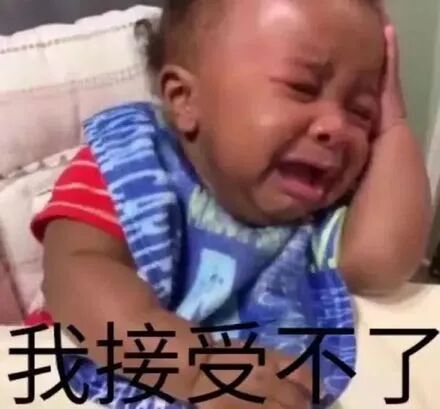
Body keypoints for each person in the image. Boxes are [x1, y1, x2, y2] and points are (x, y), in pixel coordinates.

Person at [31, 0, 431, 408]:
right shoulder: (131, 166)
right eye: (302, 87)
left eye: (361, 112)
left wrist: (393, 125)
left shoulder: (313, 217)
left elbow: (382, 263)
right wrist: (198, 367)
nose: (336, 126)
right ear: (185, 99)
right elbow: (73, 273)